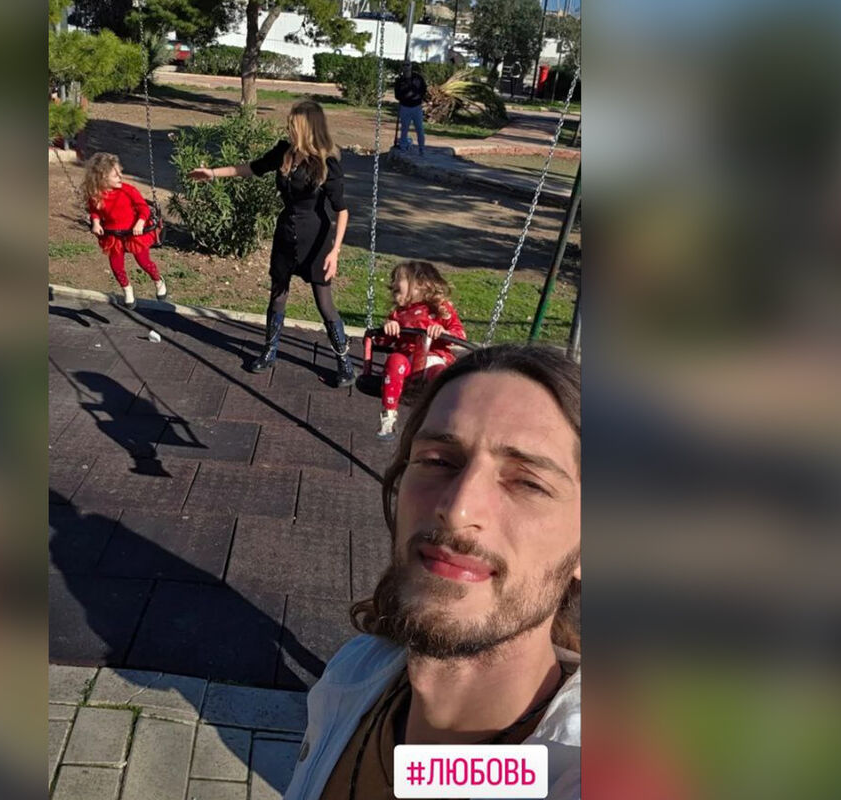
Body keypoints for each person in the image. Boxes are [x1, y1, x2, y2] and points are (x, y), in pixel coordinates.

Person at [283, 344, 582, 800]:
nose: (457, 510)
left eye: (527, 482)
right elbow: (424, 776)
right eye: (438, 461)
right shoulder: (355, 673)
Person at [188, 100, 355, 387]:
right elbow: (251, 168)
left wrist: (335, 252)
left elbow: (342, 210)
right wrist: (213, 173)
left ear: (307, 127)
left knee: (324, 303)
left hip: (316, 238)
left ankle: (345, 362)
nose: (288, 127)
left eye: (293, 123)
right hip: (286, 233)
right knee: (278, 294)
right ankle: (269, 351)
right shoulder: (283, 152)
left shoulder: (326, 163)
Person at [371, 261, 467, 441]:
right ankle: (388, 416)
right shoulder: (398, 314)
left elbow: (460, 336)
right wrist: (388, 328)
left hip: (434, 359)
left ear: (420, 284)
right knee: (394, 360)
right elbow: (381, 342)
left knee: (441, 375)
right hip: (406, 362)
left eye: (399, 280)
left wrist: (444, 333)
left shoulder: (441, 308)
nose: (393, 283)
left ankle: (439, 420)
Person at [81, 152, 166, 309]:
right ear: (102, 178)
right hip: (113, 235)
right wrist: (96, 223)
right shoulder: (96, 195)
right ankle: (127, 289)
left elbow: (143, 208)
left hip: (134, 232)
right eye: (115, 175)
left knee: (144, 262)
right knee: (116, 266)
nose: (121, 177)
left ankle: (158, 280)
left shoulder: (128, 190)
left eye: (120, 172)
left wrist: (140, 223)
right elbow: (95, 211)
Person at [394, 63, 428, 156]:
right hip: (405, 107)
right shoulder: (400, 80)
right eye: (404, 65)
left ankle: (422, 148)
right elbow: (397, 95)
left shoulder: (418, 78)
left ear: (411, 66)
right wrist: (405, 96)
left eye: (408, 65)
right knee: (404, 128)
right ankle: (403, 147)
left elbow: (424, 89)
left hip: (417, 107)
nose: (406, 67)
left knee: (419, 128)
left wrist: (418, 96)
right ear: (402, 67)